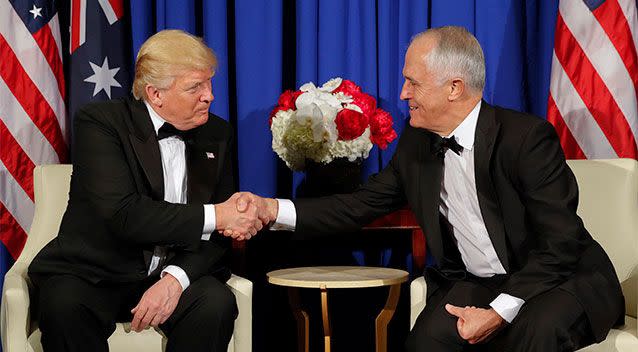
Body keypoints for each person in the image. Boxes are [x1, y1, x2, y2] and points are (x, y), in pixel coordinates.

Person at [231, 26, 624, 351]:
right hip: (480, 282)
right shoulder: (417, 144)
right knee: (425, 343)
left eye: (412, 82)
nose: (403, 94)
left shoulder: (526, 138)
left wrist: (498, 311)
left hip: (560, 278)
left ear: (454, 88)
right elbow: (358, 205)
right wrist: (270, 209)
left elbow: (561, 243)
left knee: (532, 333)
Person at [28, 30, 262, 352]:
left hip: (172, 270)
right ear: (155, 94)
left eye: (209, 84)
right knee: (63, 306)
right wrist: (217, 214)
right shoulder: (101, 123)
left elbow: (220, 234)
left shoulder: (218, 133)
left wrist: (175, 279)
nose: (209, 96)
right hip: (95, 273)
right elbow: (124, 214)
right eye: (195, 87)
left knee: (215, 303)